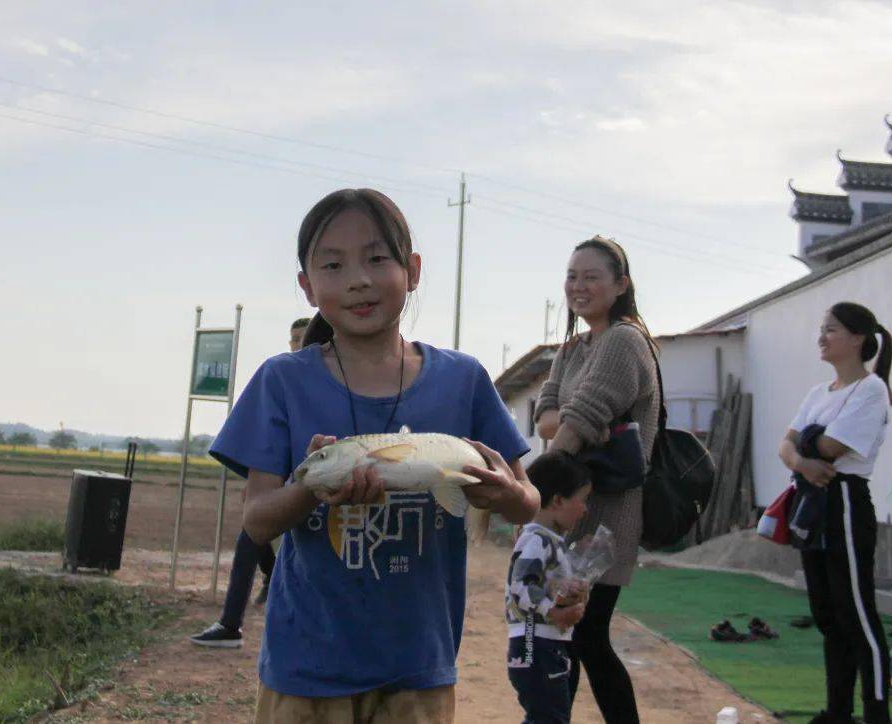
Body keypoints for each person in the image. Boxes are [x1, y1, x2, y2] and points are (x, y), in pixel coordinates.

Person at [208, 188, 539, 723]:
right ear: (307, 287)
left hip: (419, 666)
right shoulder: (282, 381)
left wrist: (503, 493)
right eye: (333, 265)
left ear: (411, 270)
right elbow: (257, 522)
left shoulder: (465, 381)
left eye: (377, 258)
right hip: (307, 666)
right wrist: (312, 489)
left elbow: (528, 501)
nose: (358, 279)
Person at [535, 235, 659, 723]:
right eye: (571, 276)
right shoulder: (574, 348)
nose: (578, 286)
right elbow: (548, 420)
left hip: (607, 512)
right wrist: (573, 423)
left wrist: (534, 494)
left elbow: (575, 424)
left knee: (583, 632)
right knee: (566, 632)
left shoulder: (623, 340)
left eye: (591, 276)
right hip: (573, 510)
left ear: (621, 284)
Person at [778, 302, 892, 724]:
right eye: (821, 330)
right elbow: (786, 446)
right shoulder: (817, 394)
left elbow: (833, 448)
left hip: (844, 500)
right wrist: (803, 461)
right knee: (828, 614)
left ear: (858, 339)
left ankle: (876, 712)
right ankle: (838, 711)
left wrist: (805, 447)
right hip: (812, 498)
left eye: (831, 330)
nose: (822, 338)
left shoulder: (871, 390)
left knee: (857, 613)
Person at [190, 319, 307, 647]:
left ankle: (238, 620)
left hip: (311, 498)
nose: (296, 344)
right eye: (292, 338)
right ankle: (232, 622)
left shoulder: (321, 386)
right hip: (282, 492)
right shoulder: (282, 380)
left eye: (301, 338)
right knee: (251, 539)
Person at [506, 451, 591, 724]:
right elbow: (520, 586)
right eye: (583, 500)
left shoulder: (550, 541)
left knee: (549, 717)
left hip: (545, 646)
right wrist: (554, 613)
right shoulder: (536, 539)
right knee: (549, 718)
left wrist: (575, 594)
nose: (585, 509)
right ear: (557, 500)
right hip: (535, 645)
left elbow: (549, 587)